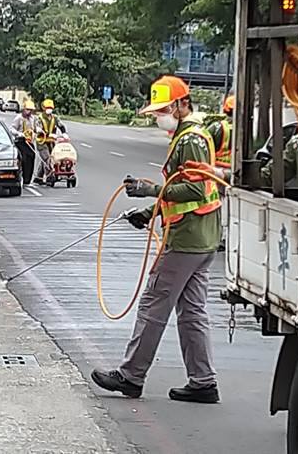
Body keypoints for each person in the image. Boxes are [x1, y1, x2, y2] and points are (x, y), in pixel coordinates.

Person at [91, 75, 222, 404]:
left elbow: (195, 189)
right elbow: (188, 192)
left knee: (152, 304)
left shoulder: (189, 139)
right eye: (155, 112)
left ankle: (131, 376)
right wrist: (151, 212)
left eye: (163, 110)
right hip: (202, 239)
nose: (158, 116)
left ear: (181, 104)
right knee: (192, 312)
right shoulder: (189, 134)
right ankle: (203, 381)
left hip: (186, 240)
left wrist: (150, 190)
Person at [204, 94, 234, 252]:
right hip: (234, 173)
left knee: (216, 204)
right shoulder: (247, 127)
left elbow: (205, 145)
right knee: (230, 205)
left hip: (217, 172)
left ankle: (217, 236)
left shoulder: (217, 127)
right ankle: (228, 237)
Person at [34, 99, 67, 185]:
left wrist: (64, 133)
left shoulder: (54, 117)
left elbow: (61, 125)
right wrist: (43, 132)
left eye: (50, 108)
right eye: (47, 107)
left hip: (51, 142)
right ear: (43, 108)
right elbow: (38, 128)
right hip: (42, 142)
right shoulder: (39, 118)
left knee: (47, 159)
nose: (49, 109)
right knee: (47, 158)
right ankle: (49, 177)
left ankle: (38, 177)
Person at [11, 100, 38, 185]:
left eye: (31, 110)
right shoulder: (19, 118)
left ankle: (28, 179)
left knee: (32, 156)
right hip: (20, 141)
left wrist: (37, 131)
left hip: (29, 141)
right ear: (23, 109)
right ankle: (22, 176)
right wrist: (19, 134)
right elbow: (12, 129)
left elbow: (34, 128)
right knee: (24, 158)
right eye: (27, 110)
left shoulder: (32, 118)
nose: (29, 112)